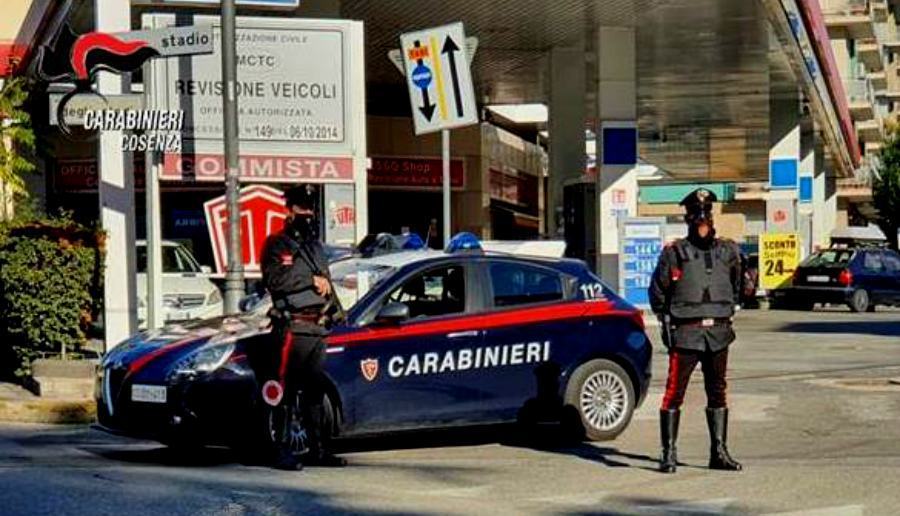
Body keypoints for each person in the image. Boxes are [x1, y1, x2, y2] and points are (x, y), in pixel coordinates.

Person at [649, 188, 743, 474]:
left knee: (718, 392)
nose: (703, 223)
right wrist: (667, 321)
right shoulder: (674, 253)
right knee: (674, 393)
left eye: (707, 217)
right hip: (687, 332)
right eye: (697, 218)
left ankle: (719, 451)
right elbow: (658, 292)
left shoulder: (728, 251)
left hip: (718, 332)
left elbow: (738, 286)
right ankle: (669, 453)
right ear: (689, 219)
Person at [259, 184, 346, 471]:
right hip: (290, 328)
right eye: (301, 209)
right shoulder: (276, 244)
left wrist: (337, 312)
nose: (307, 214)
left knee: (314, 392)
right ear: (289, 210)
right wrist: (311, 279)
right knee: (282, 391)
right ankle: (279, 449)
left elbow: (327, 282)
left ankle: (317, 449)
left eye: (310, 209)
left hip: (317, 328)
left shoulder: (315, 248)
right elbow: (276, 281)